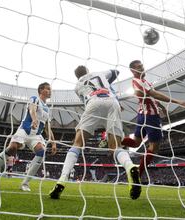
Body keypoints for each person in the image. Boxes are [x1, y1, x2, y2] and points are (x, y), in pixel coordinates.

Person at [49, 66, 141, 200]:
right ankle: (130, 166)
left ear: (77, 76)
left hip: (93, 103)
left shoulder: (77, 86)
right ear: (87, 70)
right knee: (115, 147)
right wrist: (108, 86)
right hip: (112, 102)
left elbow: (85, 98)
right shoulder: (99, 73)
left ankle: (62, 180)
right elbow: (116, 72)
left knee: (78, 143)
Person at [0, 82, 57, 192]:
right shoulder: (34, 98)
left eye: (50, 89)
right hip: (24, 130)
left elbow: (47, 128)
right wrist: (34, 119)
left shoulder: (48, 110)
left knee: (41, 152)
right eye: (48, 89)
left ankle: (25, 183)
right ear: (41, 90)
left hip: (35, 135)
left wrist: (53, 143)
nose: (50, 91)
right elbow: (32, 109)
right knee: (12, 148)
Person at [121, 60, 185, 177]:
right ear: (132, 70)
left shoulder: (143, 81)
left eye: (142, 66)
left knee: (136, 142)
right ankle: (138, 173)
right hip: (150, 117)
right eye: (139, 67)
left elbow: (151, 98)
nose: (142, 68)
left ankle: (114, 139)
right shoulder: (137, 82)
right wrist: (177, 101)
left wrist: (161, 106)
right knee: (154, 146)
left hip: (143, 115)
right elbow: (155, 94)